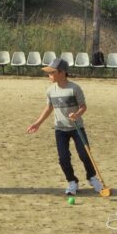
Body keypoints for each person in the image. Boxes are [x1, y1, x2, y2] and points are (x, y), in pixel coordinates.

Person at [26, 58, 104, 196]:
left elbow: (83, 106)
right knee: (63, 158)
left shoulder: (74, 88)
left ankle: (92, 178)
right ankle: (72, 181)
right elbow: (49, 108)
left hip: (77, 128)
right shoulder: (50, 90)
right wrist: (37, 123)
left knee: (85, 154)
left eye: (52, 72)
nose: (49, 75)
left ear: (62, 72)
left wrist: (77, 114)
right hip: (60, 129)